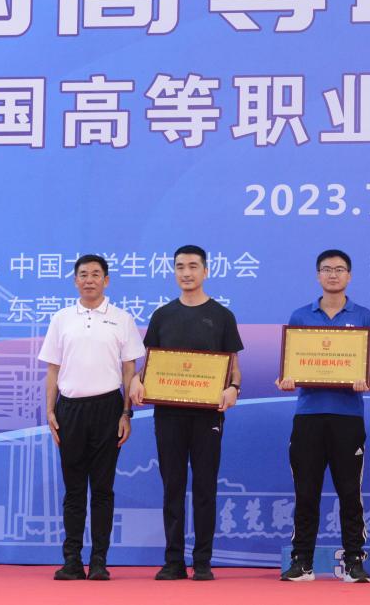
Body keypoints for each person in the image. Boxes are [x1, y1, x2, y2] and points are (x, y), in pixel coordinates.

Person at [129, 245, 244, 581]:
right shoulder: (162, 315)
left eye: (193, 266)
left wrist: (233, 389)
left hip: (208, 415)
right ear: (174, 272)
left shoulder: (222, 316)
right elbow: (150, 365)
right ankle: (173, 561)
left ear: (206, 271)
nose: (186, 273)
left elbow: (234, 368)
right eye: (180, 267)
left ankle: (203, 561)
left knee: (205, 486)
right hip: (168, 414)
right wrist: (136, 380)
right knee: (173, 486)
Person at [277, 249, 370, 583]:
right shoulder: (300, 316)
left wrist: (364, 377)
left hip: (348, 416)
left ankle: (354, 561)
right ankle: (302, 562)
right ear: (317, 275)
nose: (333, 274)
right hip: (308, 415)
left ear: (349, 275)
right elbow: (290, 364)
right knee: (305, 492)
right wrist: (288, 378)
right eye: (326, 269)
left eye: (339, 269)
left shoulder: (364, 316)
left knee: (350, 492)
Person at [39, 254, 145, 581]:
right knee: (73, 490)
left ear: (106, 280)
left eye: (96, 274)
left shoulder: (122, 319)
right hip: (70, 409)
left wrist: (126, 413)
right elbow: (53, 370)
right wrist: (50, 410)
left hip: (108, 409)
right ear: (75, 281)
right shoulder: (61, 319)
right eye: (83, 274)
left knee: (102, 489)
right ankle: (72, 560)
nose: (89, 280)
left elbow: (129, 370)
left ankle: (99, 560)